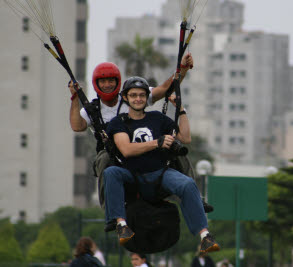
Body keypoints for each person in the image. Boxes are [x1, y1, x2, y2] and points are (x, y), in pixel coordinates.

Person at [104, 76, 220, 254]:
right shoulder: (118, 122)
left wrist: (180, 109)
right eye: (133, 95)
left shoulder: (157, 118)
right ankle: (121, 225)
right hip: (132, 177)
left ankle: (205, 236)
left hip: (160, 174)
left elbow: (185, 138)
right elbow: (126, 150)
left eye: (142, 95)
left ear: (146, 98)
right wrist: (157, 142)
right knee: (111, 172)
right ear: (125, 97)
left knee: (188, 183)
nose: (138, 99)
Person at [68, 54, 193, 209]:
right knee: (103, 159)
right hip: (114, 154)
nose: (107, 85)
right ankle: (109, 207)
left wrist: (183, 69)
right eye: (103, 81)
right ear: (97, 84)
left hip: (141, 147)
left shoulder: (132, 96)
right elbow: (77, 126)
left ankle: (192, 196)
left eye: (111, 81)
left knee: (175, 148)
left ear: (118, 82)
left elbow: (165, 89)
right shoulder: (92, 109)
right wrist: (74, 97)